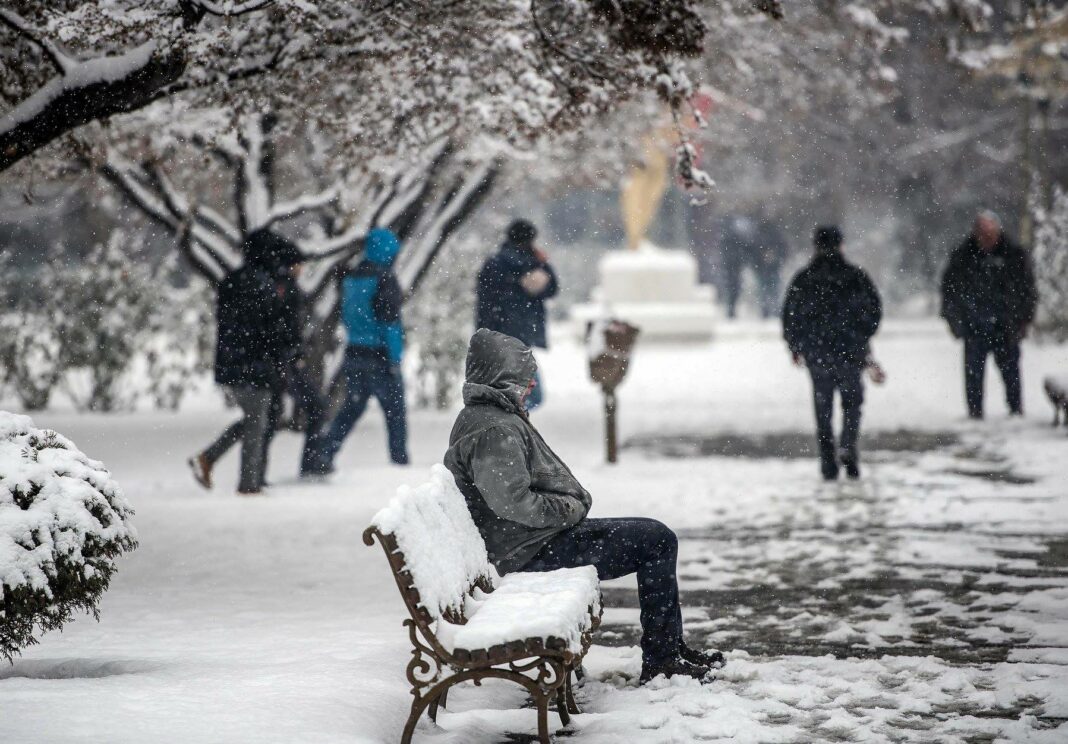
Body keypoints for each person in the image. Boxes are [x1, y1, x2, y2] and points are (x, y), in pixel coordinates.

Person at [444, 329, 724, 683]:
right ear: (500, 378)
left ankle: (669, 649)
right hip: (530, 552)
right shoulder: (492, 429)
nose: (529, 387)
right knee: (656, 541)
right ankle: (663, 658)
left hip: (527, 542)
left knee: (654, 536)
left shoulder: (488, 417)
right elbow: (514, 504)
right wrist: (568, 509)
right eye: (522, 380)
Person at [188, 230, 303, 494]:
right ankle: (244, 481)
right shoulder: (261, 284)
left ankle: (221, 465)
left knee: (258, 419)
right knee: (257, 421)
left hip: (233, 362)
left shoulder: (234, 280)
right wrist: (283, 355)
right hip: (254, 364)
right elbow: (269, 329)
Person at [303, 228, 408, 474]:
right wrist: (395, 358)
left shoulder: (351, 278)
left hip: (354, 352)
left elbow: (350, 316)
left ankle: (324, 453)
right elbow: (389, 323)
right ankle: (400, 466)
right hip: (380, 355)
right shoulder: (384, 279)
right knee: (395, 414)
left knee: (351, 409)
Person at [783, 226, 882, 480]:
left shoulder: (805, 279)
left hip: (818, 353)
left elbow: (790, 316)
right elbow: (873, 310)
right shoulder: (855, 276)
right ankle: (848, 443)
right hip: (849, 350)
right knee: (852, 403)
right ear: (841, 245)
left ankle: (828, 462)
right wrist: (862, 335)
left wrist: (796, 346)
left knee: (823, 407)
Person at [940, 211, 1036, 419]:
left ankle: (1016, 410)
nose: (987, 236)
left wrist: (1023, 319)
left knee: (1011, 372)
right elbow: (949, 292)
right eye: (983, 231)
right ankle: (975, 413)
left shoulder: (1014, 255)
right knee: (974, 375)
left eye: (990, 231)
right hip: (974, 327)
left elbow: (1028, 291)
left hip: (1006, 326)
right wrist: (957, 323)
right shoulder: (962, 257)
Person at [475, 219, 558, 410]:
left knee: (517, 390)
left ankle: (509, 420)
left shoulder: (495, 263)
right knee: (531, 395)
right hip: (518, 336)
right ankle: (511, 420)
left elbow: (484, 303)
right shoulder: (532, 262)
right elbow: (552, 288)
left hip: (500, 335)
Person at [719, 212, 788, 319]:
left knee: (768, 289)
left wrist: (771, 257)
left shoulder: (760, 235)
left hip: (767, 268)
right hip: (765, 268)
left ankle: (769, 310)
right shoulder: (764, 235)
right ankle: (768, 310)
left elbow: (753, 251)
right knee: (768, 289)